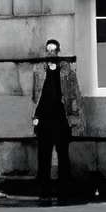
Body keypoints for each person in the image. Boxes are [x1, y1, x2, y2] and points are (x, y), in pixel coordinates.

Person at [34, 55, 76, 200]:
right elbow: (34, 97)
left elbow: (73, 96)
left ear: (58, 52)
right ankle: (44, 191)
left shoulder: (67, 73)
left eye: (54, 49)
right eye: (48, 49)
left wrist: (73, 119)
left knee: (63, 157)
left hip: (61, 120)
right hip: (44, 121)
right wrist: (35, 117)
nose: (51, 53)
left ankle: (63, 191)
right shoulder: (39, 72)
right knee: (43, 157)